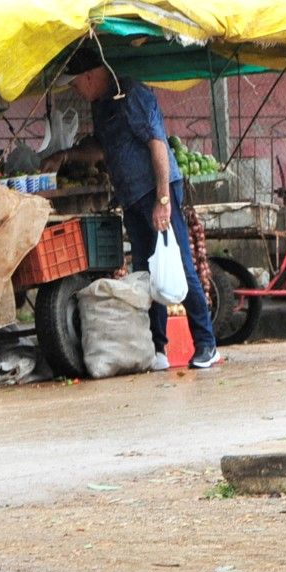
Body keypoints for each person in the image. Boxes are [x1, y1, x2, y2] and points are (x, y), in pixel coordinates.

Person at [64, 52, 221, 370]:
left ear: (91, 76)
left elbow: (157, 144)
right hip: (132, 197)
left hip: (156, 190)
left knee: (179, 264)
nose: (76, 91)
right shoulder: (100, 103)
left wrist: (162, 200)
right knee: (146, 271)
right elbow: (103, 147)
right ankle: (157, 349)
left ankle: (206, 344)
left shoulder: (133, 94)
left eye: (77, 84)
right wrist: (66, 156)